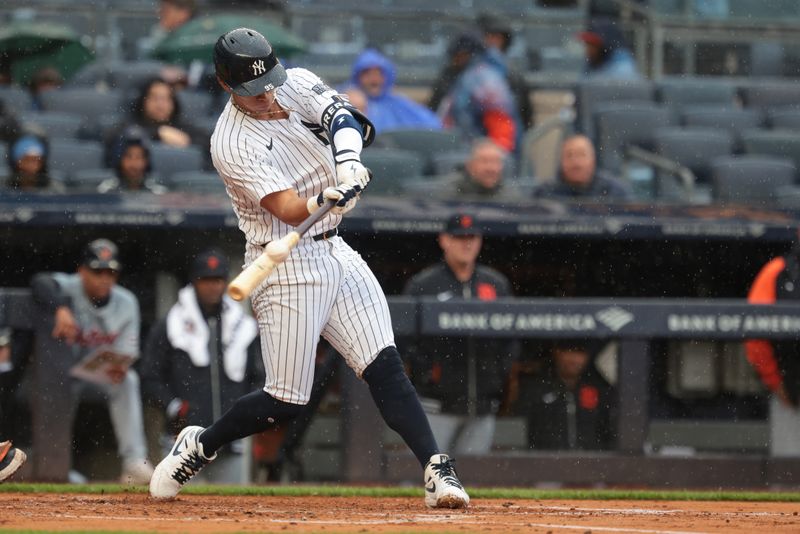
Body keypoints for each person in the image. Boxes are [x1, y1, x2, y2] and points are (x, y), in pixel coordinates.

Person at [149, 28, 469, 509]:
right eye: (252, 90)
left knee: (383, 364)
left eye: (268, 82)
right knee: (285, 400)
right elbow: (289, 208)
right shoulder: (230, 142)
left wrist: (348, 162)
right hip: (283, 261)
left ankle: (436, 467)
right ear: (225, 85)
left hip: (335, 249)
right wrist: (326, 196)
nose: (266, 95)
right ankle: (201, 443)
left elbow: (342, 116)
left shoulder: (292, 81)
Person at [31, 239, 153, 485]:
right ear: (81, 271)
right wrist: (61, 307)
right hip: (64, 376)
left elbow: (126, 353)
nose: (105, 278)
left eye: (111, 272)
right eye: (97, 271)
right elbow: (39, 282)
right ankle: (56, 467)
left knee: (128, 380)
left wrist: (120, 367)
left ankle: (134, 463)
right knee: (56, 387)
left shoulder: (126, 301)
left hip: (98, 375)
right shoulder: (70, 287)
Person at [139, 249, 262, 484]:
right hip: (182, 440)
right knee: (176, 510)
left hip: (230, 438)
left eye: (218, 280)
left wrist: (245, 412)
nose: (213, 287)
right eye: (206, 280)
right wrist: (174, 406)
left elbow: (258, 377)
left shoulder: (243, 325)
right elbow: (150, 376)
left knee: (232, 509)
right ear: (194, 281)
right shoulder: (171, 324)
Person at [402, 213, 517, 455]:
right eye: (459, 237)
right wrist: (429, 372)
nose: (467, 243)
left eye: (472, 237)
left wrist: (496, 373)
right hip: (436, 404)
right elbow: (405, 341)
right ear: (444, 240)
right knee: (427, 474)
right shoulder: (424, 284)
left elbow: (511, 339)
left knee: (473, 481)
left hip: (482, 405)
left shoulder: (495, 284)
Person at [745, 240, 800, 456]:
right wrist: (776, 381)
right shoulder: (778, 272)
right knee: (788, 473)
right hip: (791, 389)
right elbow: (755, 334)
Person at [522, 340, 616, 450]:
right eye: (568, 351)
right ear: (556, 352)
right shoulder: (536, 388)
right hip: (545, 462)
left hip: (591, 463)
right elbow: (519, 430)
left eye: (580, 353)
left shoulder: (598, 389)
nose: (574, 359)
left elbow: (610, 432)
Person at [437, 33, 522, 155]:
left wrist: (495, 158)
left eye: (456, 56)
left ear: (465, 54)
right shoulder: (468, 75)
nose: (454, 62)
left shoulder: (484, 79)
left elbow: (502, 129)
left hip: (484, 159)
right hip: (468, 153)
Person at [105, 78, 206, 163]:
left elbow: (208, 143)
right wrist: (157, 133)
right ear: (143, 101)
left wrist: (187, 141)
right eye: (154, 98)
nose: (160, 105)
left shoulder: (183, 126)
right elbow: (112, 138)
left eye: (166, 99)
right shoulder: (132, 123)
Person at [345, 49, 441, 133]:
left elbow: (432, 126)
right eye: (367, 74)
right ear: (358, 77)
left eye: (378, 74)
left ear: (386, 77)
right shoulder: (349, 100)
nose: (373, 79)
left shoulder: (397, 103)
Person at [532, 134, 632, 201]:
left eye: (581, 155)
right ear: (561, 161)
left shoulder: (614, 191)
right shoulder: (544, 193)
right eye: (569, 155)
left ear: (593, 159)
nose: (576, 163)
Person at [476, 12, 532, 130]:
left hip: (504, 141)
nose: (491, 42)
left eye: (496, 37)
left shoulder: (513, 77)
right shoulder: (460, 73)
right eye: (487, 37)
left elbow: (524, 118)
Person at [435, 137, 518, 200]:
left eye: (496, 162)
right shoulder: (450, 191)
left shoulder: (510, 193)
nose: (491, 168)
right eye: (484, 161)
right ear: (470, 166)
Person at [99, 127, 166, 194]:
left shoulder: (157, 192)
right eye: (129, 157)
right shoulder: (107, 191)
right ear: (119, 160)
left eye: (139, 157)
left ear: (146, 161)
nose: (134, 164)